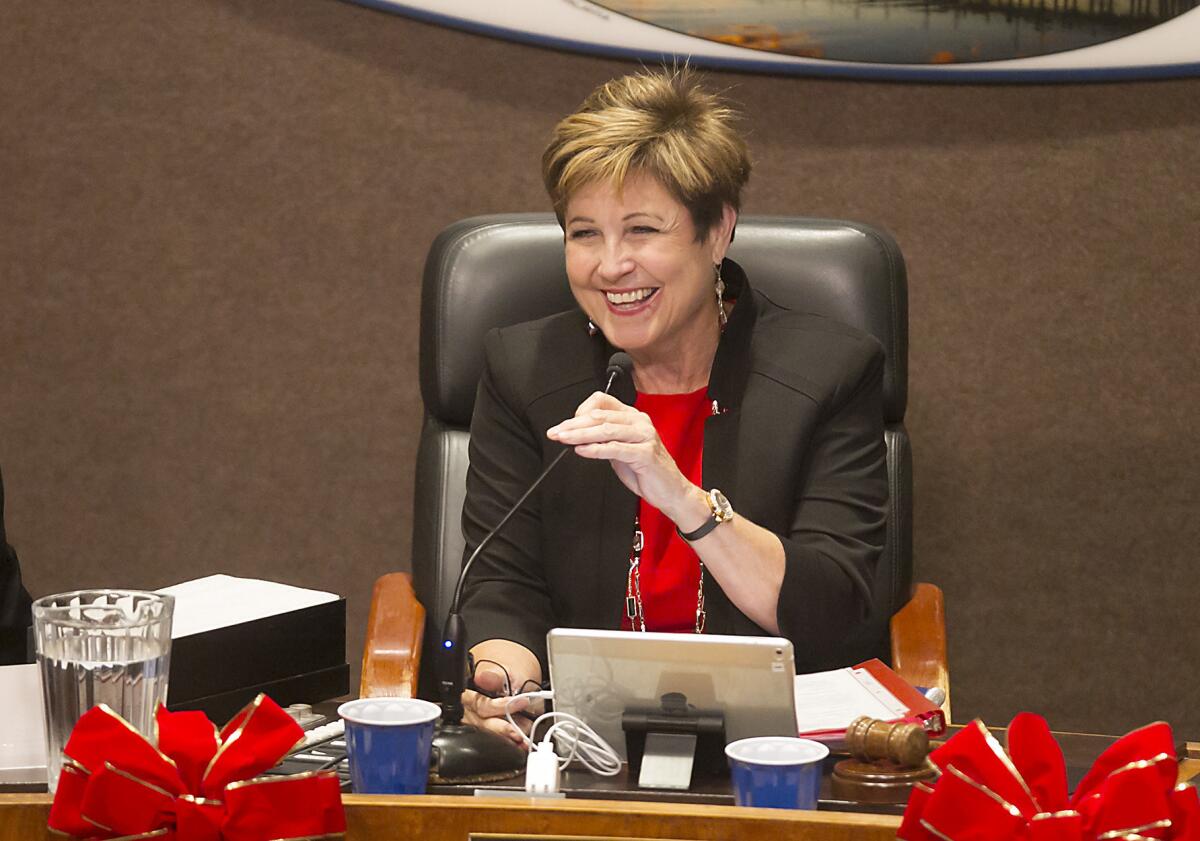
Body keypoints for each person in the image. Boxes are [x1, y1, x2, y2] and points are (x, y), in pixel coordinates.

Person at [458, 68, 888, 745]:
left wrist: (681, 496)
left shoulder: (829, 372)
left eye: (641, 230)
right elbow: (503, 583)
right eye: (584, 233)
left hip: (771, 757)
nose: (610, 265)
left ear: (717, 232)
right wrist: (505, 686)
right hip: (580, 747)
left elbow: (827, 609)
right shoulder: (525, 371)